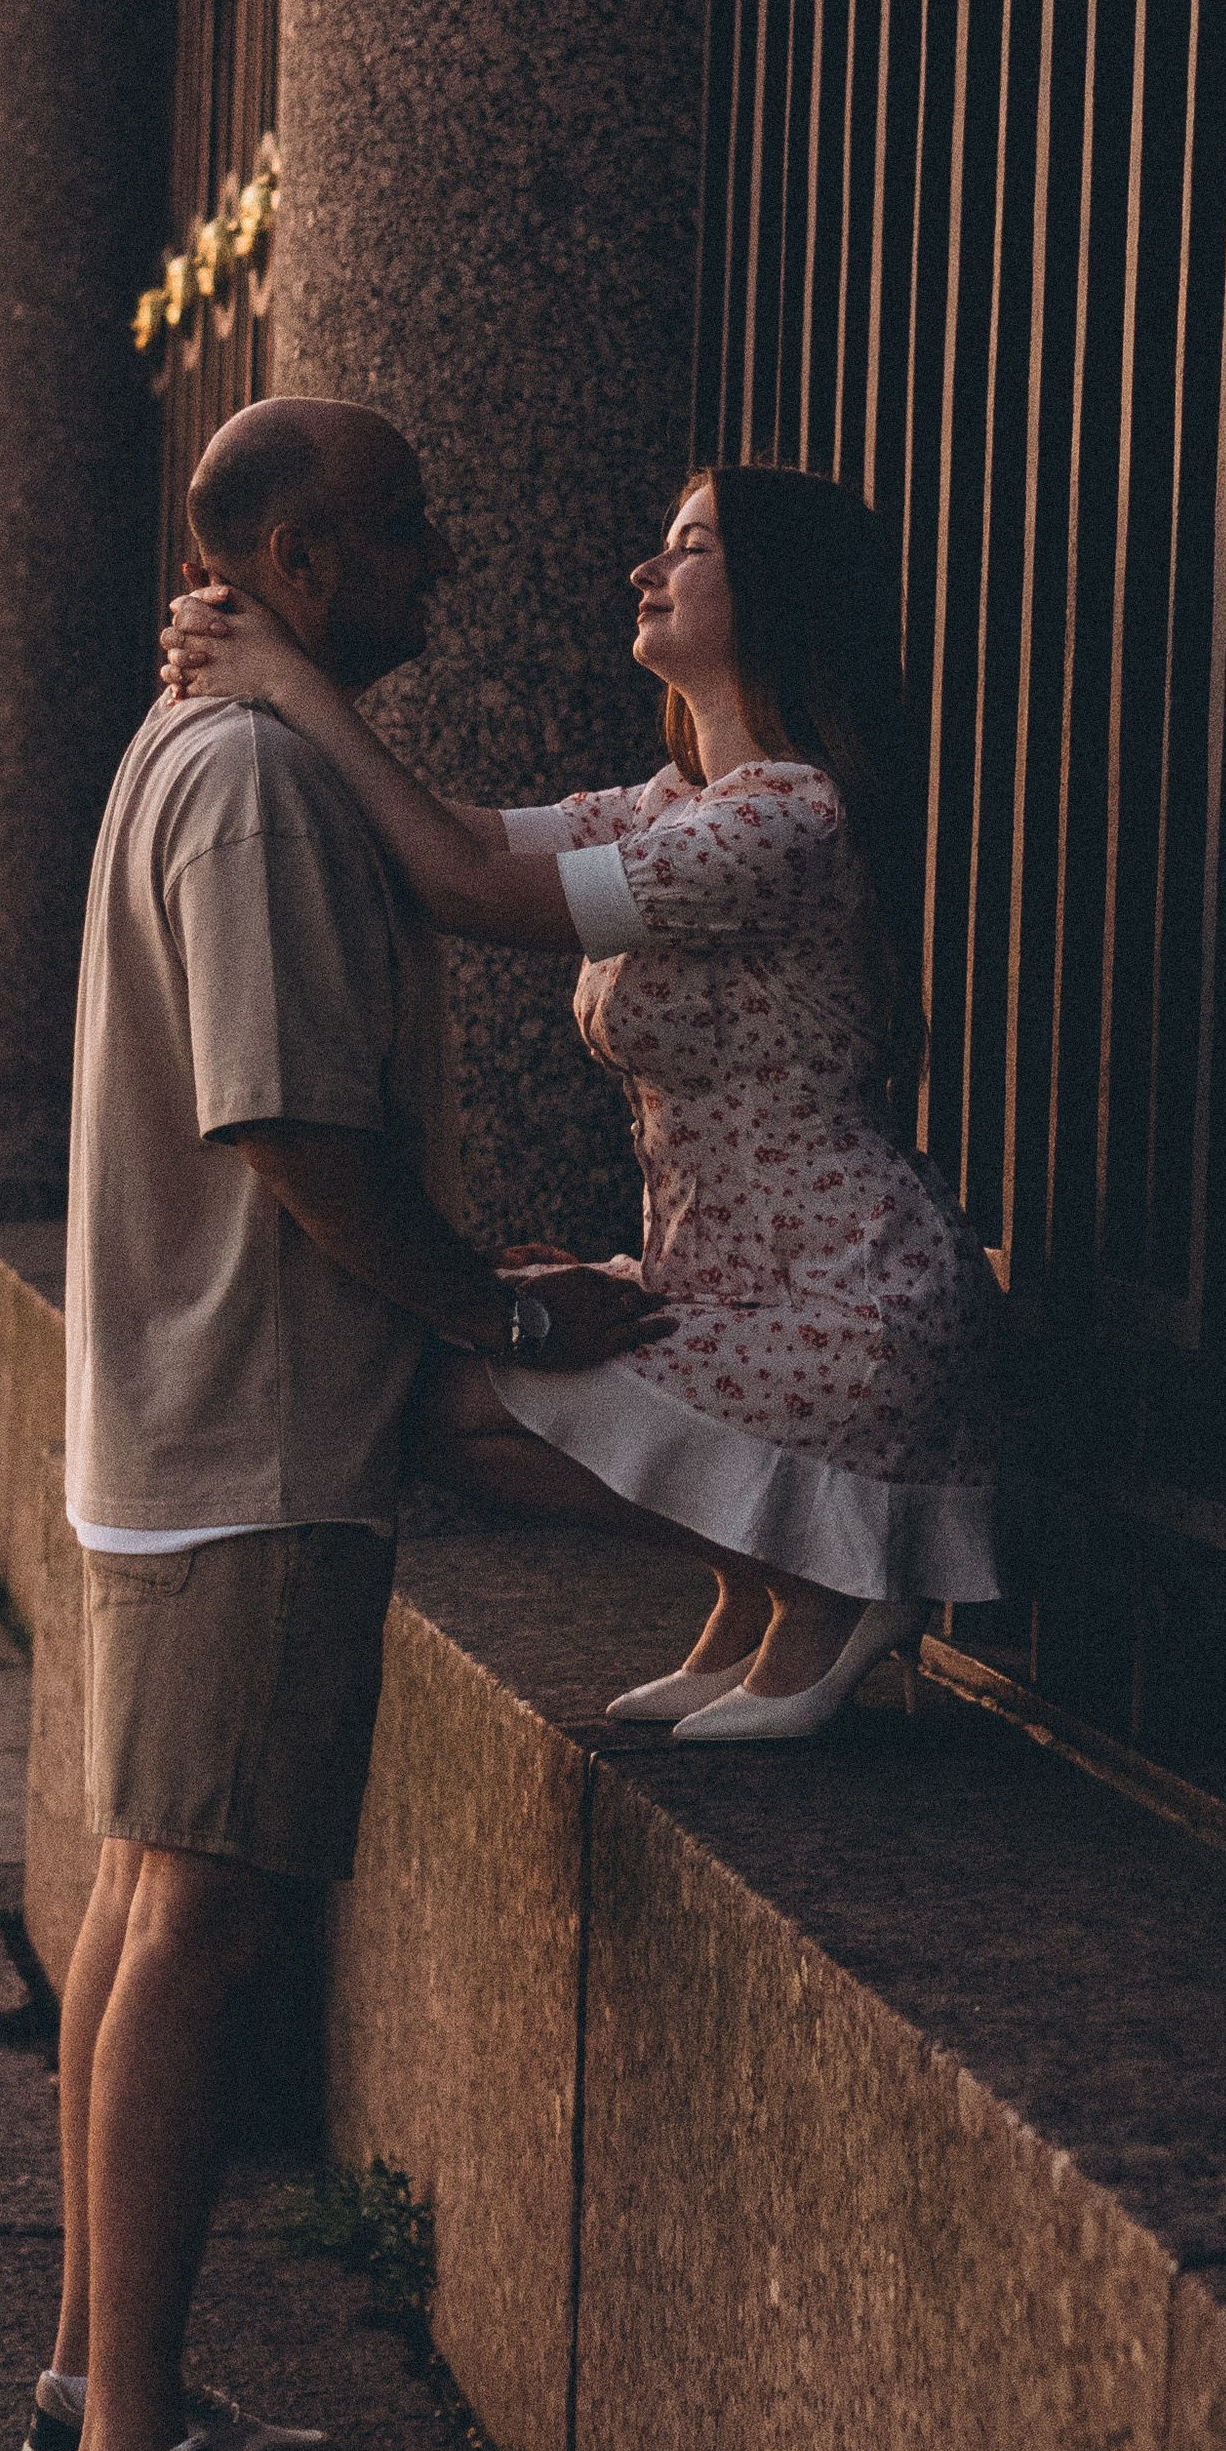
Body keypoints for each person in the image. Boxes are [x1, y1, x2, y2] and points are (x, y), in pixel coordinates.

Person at [30, 395, 670, 2451]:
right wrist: (491, 1302)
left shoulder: (193, 748)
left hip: (174, 1419)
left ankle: (101, 2389)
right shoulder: (264, 782)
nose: (443, 570)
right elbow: (295, 1131)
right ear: (299, 558)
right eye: (404, 536)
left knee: (137, 1902)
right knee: (194, 1928)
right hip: (255, 1430)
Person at [165, 458, 1002, 1741]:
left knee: (451, 1404)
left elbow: (464, 889)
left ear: (778, 594)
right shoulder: (675, 806)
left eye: (693, 548)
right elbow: (464, 831)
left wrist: (288, 684)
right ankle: (759, 1581)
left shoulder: (790, 822)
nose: (646, 568)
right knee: (438, 1378)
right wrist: (259, 656)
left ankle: (829, 1579)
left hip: (846, 1299)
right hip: (734, 1279)